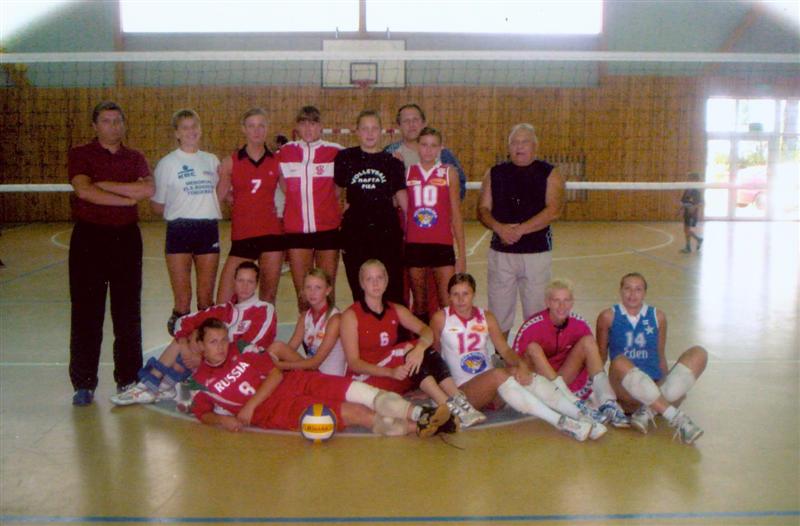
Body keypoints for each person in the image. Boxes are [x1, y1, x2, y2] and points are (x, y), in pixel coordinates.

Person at [191, 318, 455, 437]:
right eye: (213, 342)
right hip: (280, 410)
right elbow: (201, 412)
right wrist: (223, 419)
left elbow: (275, 372)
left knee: (360, 392)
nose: (221, 347)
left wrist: (249, 405)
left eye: (223, 340)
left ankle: (424, 415)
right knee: (356, 413)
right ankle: (419, 428)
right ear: (201, 346)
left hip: (296, 381)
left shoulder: (241, 349)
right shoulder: (199, 381)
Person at [431, 273, 606, 441]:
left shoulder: (486, 317)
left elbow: (505, 350)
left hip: (493, 391)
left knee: (522, 373)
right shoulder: (441, 318)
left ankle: (582, 416)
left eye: (465, 294)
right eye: (455, 294)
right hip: (464, 393)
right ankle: (562, 423)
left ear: (473, 294)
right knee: (498, 374)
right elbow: (434, 356)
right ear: (449, 296)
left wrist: (521, 366)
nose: (461, 299)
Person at [67, 101, 155, 406]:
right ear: (95, 125)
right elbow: (84, 190)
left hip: (126, 239)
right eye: (106, 121)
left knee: (127, 312)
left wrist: (104, 186)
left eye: (118, 121)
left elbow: (147, 190)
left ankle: (128, 379)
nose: (113, 126)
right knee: (86, 313)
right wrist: (126, 198)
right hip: (89, 239)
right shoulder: (81, 154)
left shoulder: (135, 157)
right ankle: (84, 383)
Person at [111, 261, 292, 405]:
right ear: (234, 282)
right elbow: (183, 322)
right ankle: (154, 387)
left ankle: (158, 386)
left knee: (200, 341)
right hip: (213, 363)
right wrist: (185, 346)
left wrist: (205, 358)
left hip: (242, 369)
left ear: (257, 284)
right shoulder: (223, 310)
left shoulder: (264, 309)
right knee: (188, 338)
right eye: (240, 280)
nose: (245, 286)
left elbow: (251, 346)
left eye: (250, 282)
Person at [340, 259, 485, 429]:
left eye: (379, 278)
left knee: (421, 348)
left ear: (386, 281)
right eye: (369, 279)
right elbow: (354, 363)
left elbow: (426, 331)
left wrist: (420, 348)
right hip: (368, 378)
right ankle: (448, 406)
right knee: (407, 348)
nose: (375, 283)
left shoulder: (395, 309)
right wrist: (391, 371)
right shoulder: (351, 315)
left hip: (394, 375)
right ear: (361, 283)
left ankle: (460, 400)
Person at [596, 272, 708, 445]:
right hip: (626, 391)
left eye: (638, 289)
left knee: (699, 353)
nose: (632, 294)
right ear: (620, 291)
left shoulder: (658, 316)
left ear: (645, 293)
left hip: (654, 386)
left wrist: (672, 386)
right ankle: (675, 417)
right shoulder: (608, 316)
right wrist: (598, 394)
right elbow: (600, 358)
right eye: (627, 289)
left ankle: (648, 410)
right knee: (619, 361)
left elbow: (660, 354)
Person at [477, 123, 565, 338]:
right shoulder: (495, 173)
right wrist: (499, 228)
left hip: (536, 253)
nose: (519, 146)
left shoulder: (550, 173)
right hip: (501, 253)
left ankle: (534, 352)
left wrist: (520, 230)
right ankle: (500, 353)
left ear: (535, 145)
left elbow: (554, 210)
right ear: (508, 147)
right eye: (514, 142)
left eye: (524, 142)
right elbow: (483, 209)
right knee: (499, 311)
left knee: (536, 312)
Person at [512, 279, 629, 428]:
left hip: (563, 380)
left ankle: (608, 403)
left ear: (572, 302)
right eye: (556, 301)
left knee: (588, 342)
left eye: (566, 300)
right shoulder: (532, 326)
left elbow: (592, 360)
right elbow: (514, 360)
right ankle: (574, 403)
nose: (562, 306)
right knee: (533, 348)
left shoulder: (579, 324)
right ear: (547, 302)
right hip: (538, 384)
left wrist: (587, 387)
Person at [152, 109, 221, 335]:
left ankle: (206, 349)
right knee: (182, 302)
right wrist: (182, 208)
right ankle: (182, 348)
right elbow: (157, 205)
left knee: (205, 300)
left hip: (207, 229)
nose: (191, 131)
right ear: (177, 133)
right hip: (179, 230)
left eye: (194, 126)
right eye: (185, 127)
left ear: (200, 129)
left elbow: (221, 193)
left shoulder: (211, 161)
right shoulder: (167, 164)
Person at [335, 110, 407, 305]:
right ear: (357, 131)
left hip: (387, 234)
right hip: (355, 235)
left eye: (374, 128)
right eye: (365, 128)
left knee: (392, 291)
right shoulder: (345, 158)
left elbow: (403, 200)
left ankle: (394, 325)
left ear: (381, 131)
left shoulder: (393, 162)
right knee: (360, 291)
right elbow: (334, 194)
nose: (369, 133)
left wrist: (417, 230)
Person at [277, 105, 343, 312]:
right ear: (297, 127)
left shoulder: (336, 152)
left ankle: (328, 330)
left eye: (313, 123)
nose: (308, 128)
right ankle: (307, 331)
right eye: (303, 123)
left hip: (328, 230)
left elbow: (339, 188)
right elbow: (283, 185)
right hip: (296, 231)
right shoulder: (284, 153)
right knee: (304, 293)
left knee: (327, 291)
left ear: (321, 126)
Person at [216, 108, 284, 304]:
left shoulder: (277, 162)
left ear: (267, 128)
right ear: (243, 129)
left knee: (268, 298)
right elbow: (217, 197)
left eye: (261, 125)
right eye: (251, 126)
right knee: (224, 300)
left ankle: (264, 326)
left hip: (271, 235)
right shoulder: (230, 162)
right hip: (243, 236)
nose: (257, 130)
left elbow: (292, 194)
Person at [405, 127, 465, 323]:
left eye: (433, 145)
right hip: (415, 245)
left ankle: (447, 341)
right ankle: (424, 341)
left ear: (440, 148)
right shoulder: (408, 172)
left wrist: (462, 255)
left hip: (442, 245)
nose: (428, 150)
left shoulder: (449, 173)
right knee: (420, 303)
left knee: (447, 301)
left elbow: (456, 215)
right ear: (417, 146)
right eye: (424, 145)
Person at [270, 268, 348, 376]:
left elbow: (315, 363)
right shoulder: (304, 317)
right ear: (303, 290)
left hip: (329, 378)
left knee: (277, 350)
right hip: (312, 372)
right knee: (275, 349)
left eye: (318, 288)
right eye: (308, 287)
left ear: (328, 290)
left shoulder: (335, 319)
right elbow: (290, 349)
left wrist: (281, 365)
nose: (312, 292)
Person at [384, 103, 467, 200]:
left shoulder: (443, 154)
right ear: (399, 126)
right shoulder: (390, 153)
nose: (411, 124)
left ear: (424, 123)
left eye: (415, 120)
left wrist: (441, 204)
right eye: (406, 121)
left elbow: (460, 186)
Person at [679, 172, 704, 253]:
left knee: (687, 229)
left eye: (690, 178)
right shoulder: (687, 190)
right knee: (686, 230)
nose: (688, 180)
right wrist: (681, 208)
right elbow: (683, 200)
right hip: (686, 212)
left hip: (692, 213)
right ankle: (693, 243)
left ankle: (690, 245)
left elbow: (701, 203)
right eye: (688, 178)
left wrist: (693, 208)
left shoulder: (697, 191)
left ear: (695, 180)